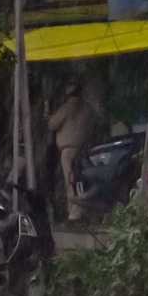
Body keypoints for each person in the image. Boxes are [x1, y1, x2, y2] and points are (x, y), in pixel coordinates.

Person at [48, 84, 103, 220]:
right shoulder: (89, 109)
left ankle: (74, 212)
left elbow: (52, 124)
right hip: (85, 149)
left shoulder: (67, 107)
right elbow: (96, 124)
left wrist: (49, 116)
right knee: (82, 179)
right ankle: (85, 210)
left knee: (70, 181)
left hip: (68, 151)